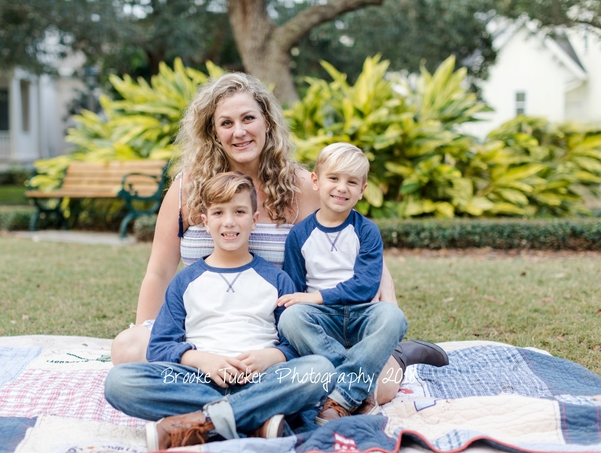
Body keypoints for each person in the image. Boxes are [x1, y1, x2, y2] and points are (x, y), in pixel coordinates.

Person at [110, 71, 409, 405]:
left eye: (248, 118)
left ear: (267, 121)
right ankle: (258, 406)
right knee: (128, 349)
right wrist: (153, 340)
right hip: (204, 334)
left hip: (281, 336)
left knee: (383, 384)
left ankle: (212, 406)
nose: (239, 131)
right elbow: (160, 271)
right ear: (213, 131)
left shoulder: (302, 187)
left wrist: (384, 277)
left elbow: (354, 233)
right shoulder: (187, 187)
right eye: (226, 123)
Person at [104, 172, 336, 451]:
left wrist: (271, 356)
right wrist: (202, 360)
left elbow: (295, 343)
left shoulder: (277, 280)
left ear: (254, 219)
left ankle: (201, 422)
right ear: (205, 221)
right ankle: (255, 421)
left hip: (261, 379)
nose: (229, 221)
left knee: (319, 370)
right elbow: (160, 346)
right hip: (198, 380)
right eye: (218, 212)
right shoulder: (185, 281)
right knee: (119, 382)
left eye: (239, 211)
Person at [277, 143, 449, 424]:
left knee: (392, 316)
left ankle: (341, 395)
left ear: (362, 190)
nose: (342, 188)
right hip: (323, 324)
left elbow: (366, 286)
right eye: (334, 178)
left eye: (352, 182)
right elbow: (297, 291)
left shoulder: (366, 230)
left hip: (361, 314)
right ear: (316, 182)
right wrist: (307, 302)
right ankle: (356, 382)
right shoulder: (299, 235)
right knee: (291, 318)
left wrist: (316, 296)